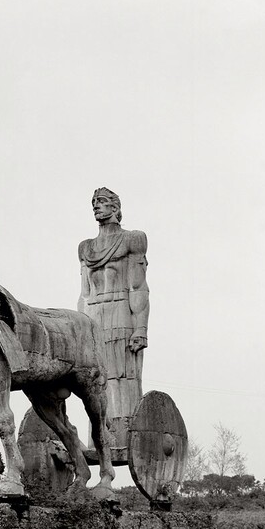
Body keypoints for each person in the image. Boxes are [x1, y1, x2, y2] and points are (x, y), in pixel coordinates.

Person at [78, 187, 149, 449]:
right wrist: (78, 328)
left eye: (103, 202)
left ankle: (127, 435)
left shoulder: (133, 239)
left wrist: (140, 328)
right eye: (94, 202)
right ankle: (100, 439)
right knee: (96, 380)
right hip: (94, 317)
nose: (96, 206)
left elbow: (139, 287)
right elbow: (83, 294)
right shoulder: (85, 248)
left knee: (123, 375)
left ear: (115, 208)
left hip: (121, 313)